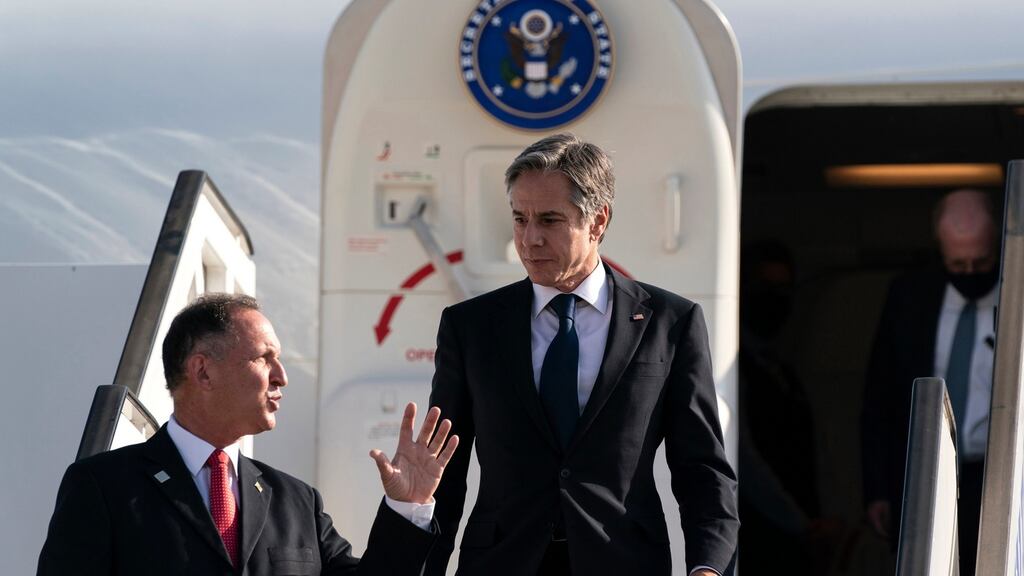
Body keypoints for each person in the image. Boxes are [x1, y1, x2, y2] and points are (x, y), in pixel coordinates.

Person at [425, 133, 739, 576]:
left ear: (597, 221)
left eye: (550, 220)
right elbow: (443, 472)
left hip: (625, 561)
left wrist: (708, 566)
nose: (530, 239)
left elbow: (702, 469)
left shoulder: (671, 323)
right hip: (502, 561)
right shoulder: (471, 327)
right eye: (519, 219)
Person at [38, 293, 459, 575]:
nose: (282, 377)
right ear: (203, 371)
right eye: (264, 358)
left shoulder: (297, 502)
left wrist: (407, 507)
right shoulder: (103, 487)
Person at [862, 188, 999, 575]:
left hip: (995, 472)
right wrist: (877, 488)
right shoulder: (910, 298)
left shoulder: (1015, 296)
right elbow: (881, 395)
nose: (970, 272)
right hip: (926, 469)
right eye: (958, 264)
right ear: (940, 252)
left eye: (981, 261)